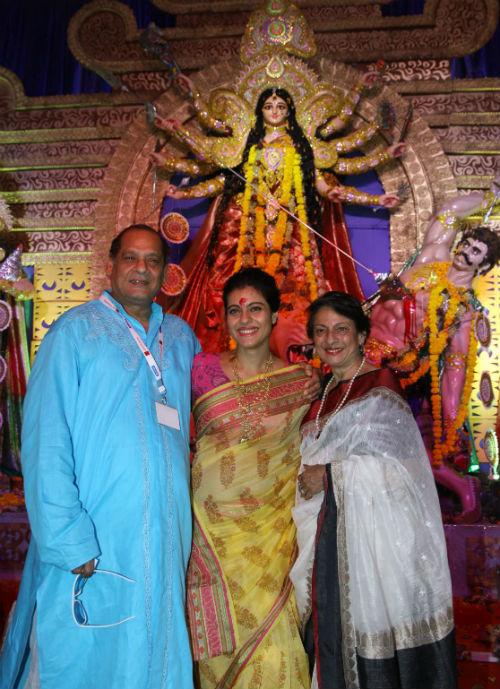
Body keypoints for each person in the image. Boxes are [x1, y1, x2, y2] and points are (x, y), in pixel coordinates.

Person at [0, 225, 200, 689]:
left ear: (164, 272)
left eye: (152, 261)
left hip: (167, 538)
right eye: (131, 258)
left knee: (155, 650)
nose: (141, 269)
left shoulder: (181, 337)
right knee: (87, 655)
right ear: (110, 264)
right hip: (96, 539)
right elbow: (45, 442)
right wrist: (70, 538)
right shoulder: (74, 332)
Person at [152, 83, 405, 355]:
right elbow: (218, 180)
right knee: (233, 289)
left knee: (299, 294)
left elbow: (326, 187)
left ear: (290, 111)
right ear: (259, 111)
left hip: (292, 229)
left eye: (281, 107)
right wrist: (183, 192)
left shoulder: (302, 147)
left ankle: (297, 355)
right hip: (244, 229)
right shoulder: (246, 146)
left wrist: (374, 199)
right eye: (269, 106)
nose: (274, 111)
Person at [291, 291, 457, 689]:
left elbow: (403, 473)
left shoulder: (381, 386)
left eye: (341, 329)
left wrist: (331, 475)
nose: (331, 339)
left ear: (362, 334)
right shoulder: (319, 399)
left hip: (376, 551)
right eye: (321, 331)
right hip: (324, 540)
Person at [187, 268, 313, 689]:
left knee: (275, 643)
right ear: (223, 318)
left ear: (275, 315)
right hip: (210, 535)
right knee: (217, 648)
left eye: (256, 308)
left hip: (270, 537)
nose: (245, 318)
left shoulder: (301, 382)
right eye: (234, 310)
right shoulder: (200, 370)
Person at [366, 174, 500, 519]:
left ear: (482, 266)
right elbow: (450, 212)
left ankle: (463, 492)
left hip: (397, 375)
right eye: (466, 244)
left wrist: (451, 421)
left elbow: (455, 366)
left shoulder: (464, 312)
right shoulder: (431, 259)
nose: (465, 252)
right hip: (362, 354)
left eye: (475, 253)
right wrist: (490, 196)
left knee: (395, 449)